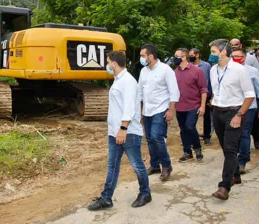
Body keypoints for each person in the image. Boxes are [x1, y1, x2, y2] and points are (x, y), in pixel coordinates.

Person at [87, 51, 151, 211]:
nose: (107, 66)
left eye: (108, 62)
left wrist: (123, 128)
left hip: (128, 132)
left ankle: (145, 193)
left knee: (137, 165)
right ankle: (106, 198)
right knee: (112, 165)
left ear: (114, 64)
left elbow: (129, 108)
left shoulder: (127, 81)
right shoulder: (117, 81)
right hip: (115, 132)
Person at [208, 39, 255, 200]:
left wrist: (239, 115)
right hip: (217, 111)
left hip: (234, 112)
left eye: (214, 52)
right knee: (225, 147)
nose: (211, 55)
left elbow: (249, 95)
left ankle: (224, 186)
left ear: (224, 52)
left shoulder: (239, 70)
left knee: (230, 149)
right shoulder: (213, 70)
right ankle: (235, 175)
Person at [138, 44, 180, 181]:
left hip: (161, 109)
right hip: (147, 110)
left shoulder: (166, 70)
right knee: (149, 139)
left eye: (143, 56)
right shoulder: (143, 71)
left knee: (157, 137)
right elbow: (140, 92)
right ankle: (154, 165)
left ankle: (166, 165)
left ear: (150, 56)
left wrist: (171, 110)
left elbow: (174, 91)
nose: (141, 58)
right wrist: (139, 112)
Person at [231, 48, 259, 174]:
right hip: (232, 107)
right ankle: (235, 157)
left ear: (244, 58)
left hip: (249, 108)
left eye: (239, 56)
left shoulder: (252, 71)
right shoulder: (228, 70)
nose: (236, 58)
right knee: (233, 134)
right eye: (233, 56)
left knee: (245, 133)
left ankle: (242, 162)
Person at [174, 48, 208, 162]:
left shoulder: (196, 71)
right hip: (180, 106)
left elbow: (203, 89)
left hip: (193, 105)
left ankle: (197, 148)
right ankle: (187, 151)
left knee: (190, 126)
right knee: (183, 129)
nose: (175, 58)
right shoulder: (175, 72)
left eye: (177, 56)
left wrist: (202, 106)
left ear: (184, 57)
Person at [189, 48, 213, 145]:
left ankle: (207, 136)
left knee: (207, 117)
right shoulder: (188, 66)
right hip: (192, 96)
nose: (190, 57)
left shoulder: (206, 66)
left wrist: (211, 95)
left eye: (192, 55)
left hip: (205, 95)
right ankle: (191, 136)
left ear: (197, 55)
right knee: (191, 117)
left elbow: (211, 80)